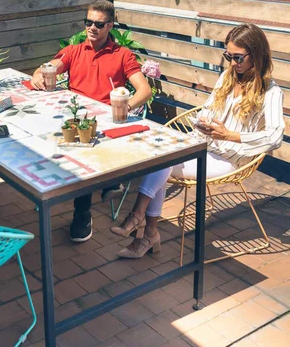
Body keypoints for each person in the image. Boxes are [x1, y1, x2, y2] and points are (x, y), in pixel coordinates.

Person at [111, 23, 285, 258]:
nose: (233, 63)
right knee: (161, 155)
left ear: (257, 54)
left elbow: (275, 136)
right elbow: (209, 109)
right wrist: (204, 122)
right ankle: (147, 231)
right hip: (204, 143)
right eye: (228, 56)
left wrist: (230, 135)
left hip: (230, 157)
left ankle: (138, 219)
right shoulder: (227, 77)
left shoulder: (270, 92)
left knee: (164, 161)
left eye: (238, 57)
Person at [31, 0, 152, 242]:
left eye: (98, 24)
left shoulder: (123, 55)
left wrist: (124, 107)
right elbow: (48, 68)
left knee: (82, 148)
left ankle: (83, 212)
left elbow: (145, 90)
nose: (92, 28)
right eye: (88, 22)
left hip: (105, 120)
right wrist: (37, 75)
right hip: (74, 116)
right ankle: (105, 181)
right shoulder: (74, 50)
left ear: (110, 26)